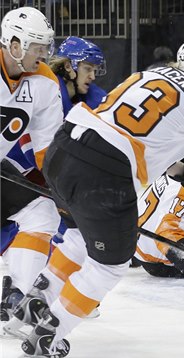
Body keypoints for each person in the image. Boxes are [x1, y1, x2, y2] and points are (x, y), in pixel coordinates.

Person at [6, 39, 184, 357]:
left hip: (64, 149)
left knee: (74, 238)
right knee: (109, 266)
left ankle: (31, 306)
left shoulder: (146, 76)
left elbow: (136, 131)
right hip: (105, 173)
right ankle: (48, 335)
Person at [1, 35, 108, 324]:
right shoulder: (45, 89)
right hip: (22, 172)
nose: (93, 75)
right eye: (88, 68)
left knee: (52, 222)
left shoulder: (88, 98)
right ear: (71, 67)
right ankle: (18, 290)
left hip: (40, 177)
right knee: (46, 223)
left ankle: (22, 293)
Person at [0, 7, 63, 323]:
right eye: (37, 46)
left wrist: (63, 187)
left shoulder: (45, 82)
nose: (44, 54)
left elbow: (48, 148)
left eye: (45, 46)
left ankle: (20, 299)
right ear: (13, 45)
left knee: (43, 211)